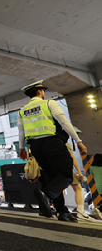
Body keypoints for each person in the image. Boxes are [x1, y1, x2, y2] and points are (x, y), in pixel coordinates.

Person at [18, 80, 87, 222]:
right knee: (66, 175)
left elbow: (21, 131)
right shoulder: (48, 103)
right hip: (52, 143)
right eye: (43, 91)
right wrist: (78, 141)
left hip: (35, 146)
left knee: (51, 178)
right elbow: (64, 122)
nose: (44, 93)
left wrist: (21, 148)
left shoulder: (22, 111)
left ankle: (62, 212)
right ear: (39, 92)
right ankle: (47, 195)